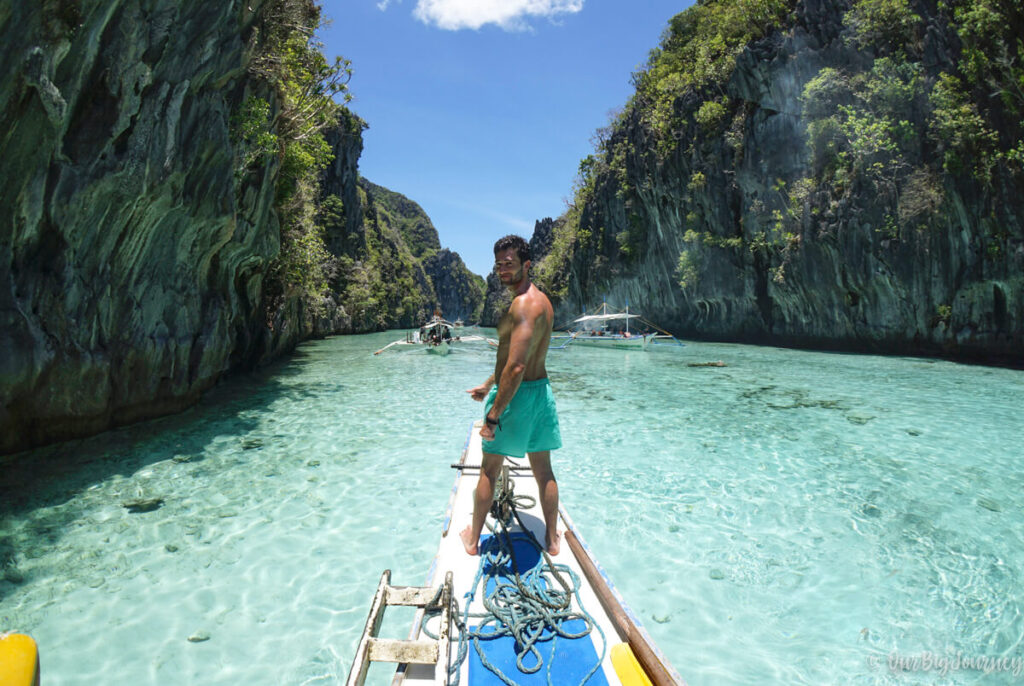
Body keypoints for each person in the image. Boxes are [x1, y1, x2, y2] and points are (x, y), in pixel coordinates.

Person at [462, 235, 562, 556]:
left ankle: (473, 540)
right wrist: (488, 384)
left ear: (527, 264)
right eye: (499, 264)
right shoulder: (543, 302)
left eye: (510, 263)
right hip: (541, 393)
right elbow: (515, 358)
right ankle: (553, 539)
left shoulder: (520, 305)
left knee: (489, 470)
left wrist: (493, 417)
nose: (503, 270)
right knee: (543, 470)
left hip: (515, 398)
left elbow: (516, 367)